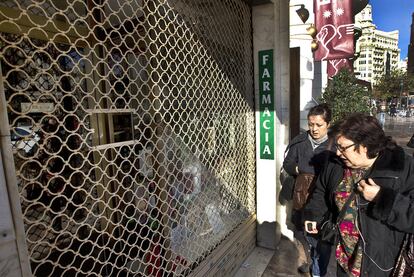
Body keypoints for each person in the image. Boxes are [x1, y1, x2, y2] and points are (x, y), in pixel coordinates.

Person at [304, 113, 414, 277]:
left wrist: (382, 198)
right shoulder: (337, 164)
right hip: (344, 260)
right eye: (337, 147)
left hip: (380, 266)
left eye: (343, 147)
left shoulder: (403, 168)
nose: (339, 153)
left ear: (365, 146)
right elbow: (321, 189)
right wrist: (314, 214)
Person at [282, 103, 333, 276]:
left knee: (322, 240)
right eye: (311, 124)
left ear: (328, 124)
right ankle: (308, 262)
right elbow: (287, 164)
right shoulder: (300, 141)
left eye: (319, 125)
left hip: (323, 201)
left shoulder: (335, 146)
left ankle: (319, 271)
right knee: (301, 233)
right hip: (301, 195)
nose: (314, 129)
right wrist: (301, 171)